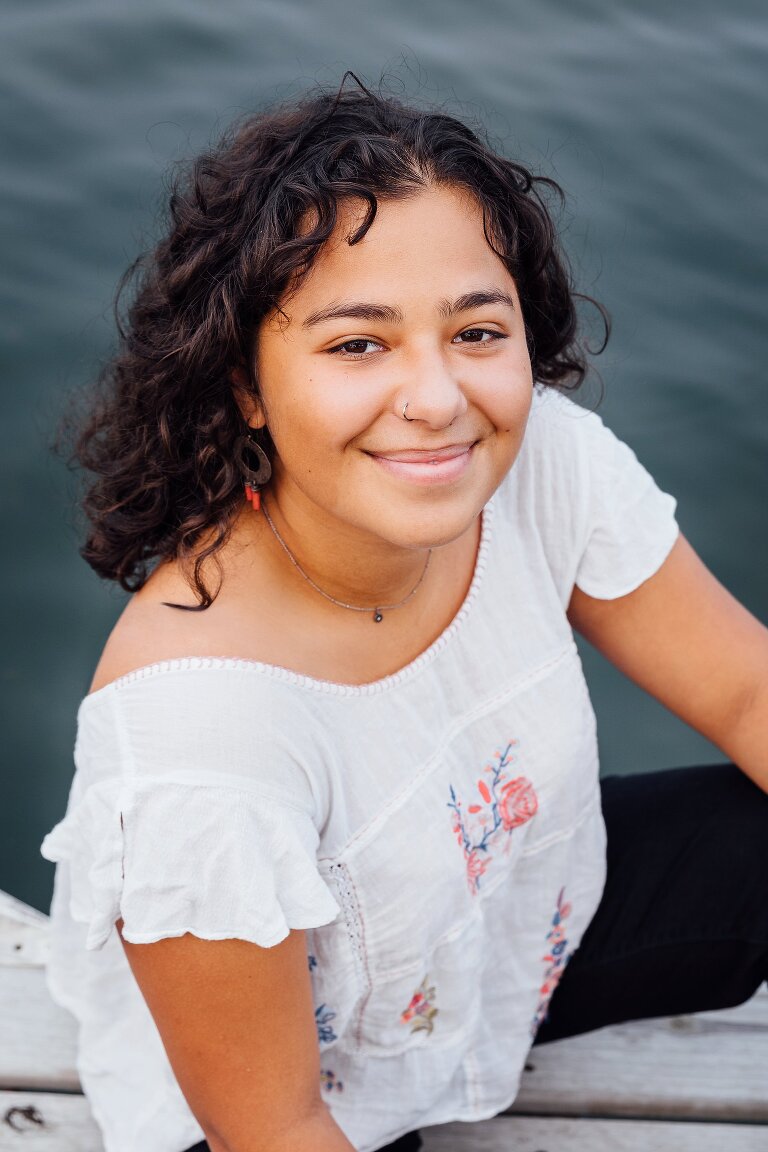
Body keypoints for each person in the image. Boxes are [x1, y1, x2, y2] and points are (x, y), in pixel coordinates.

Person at [40, 77, 768, 1152]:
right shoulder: (196, 746)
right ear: (244, 380)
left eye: (477, 331)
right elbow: (277, 1129)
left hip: (513, 939)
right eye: (357, 345)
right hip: (307, 1092)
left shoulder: (541, 464)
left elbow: (748, 691)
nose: (437, 399)